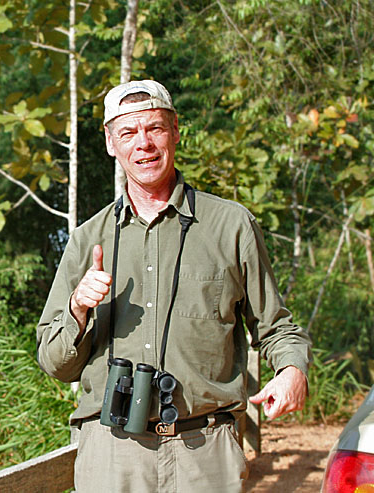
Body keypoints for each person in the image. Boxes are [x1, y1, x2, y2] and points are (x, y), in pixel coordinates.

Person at [36, 80, 311, 492]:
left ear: (176, 131)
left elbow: (276, 327)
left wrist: (292, 370)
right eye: (128, 133)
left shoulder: (232, 225)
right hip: (112, 453)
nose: (143, 144)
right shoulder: (86, 239)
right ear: (111, 142)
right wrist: (77, 307)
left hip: (208, 452)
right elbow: (55, 362)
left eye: (155, 129)